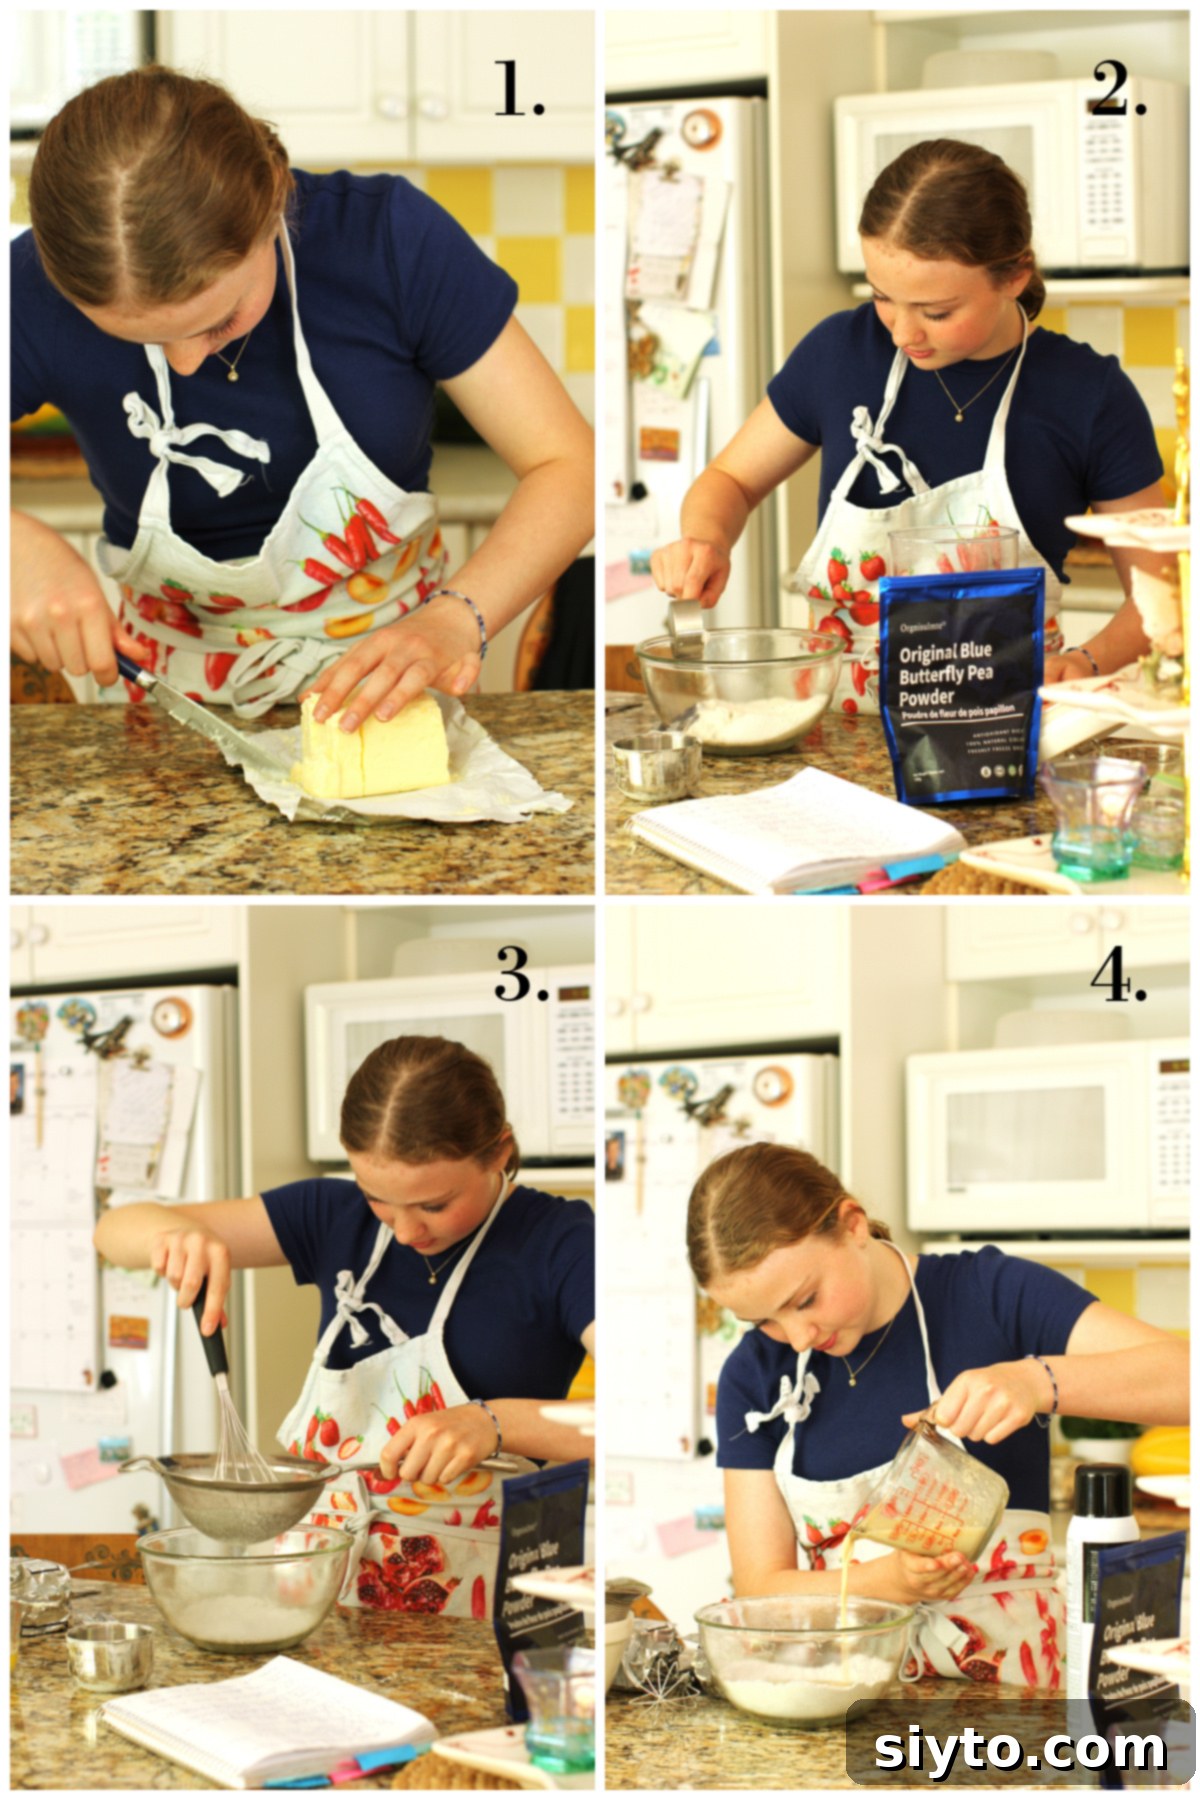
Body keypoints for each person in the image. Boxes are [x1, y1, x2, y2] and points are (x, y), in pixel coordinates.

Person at [12, 66, 593, 729]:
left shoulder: (390, 241)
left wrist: (457, 620)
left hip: (394, 682)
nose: (185, 362)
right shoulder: (30, 292)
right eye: (129, 335)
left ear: (274, 195)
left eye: (218, 322)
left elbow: (569, 467)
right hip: (169, 701)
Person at [94, 1035, 595, 1616]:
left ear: (499, 1152)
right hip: (316, 1597)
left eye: (434, 1205)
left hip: (478, 1610)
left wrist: (495, 1421)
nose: (406, 1232)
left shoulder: (562, 1244)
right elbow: (112, 1229)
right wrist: (174, 1236)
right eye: (378, 1197)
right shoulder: (334, 1217)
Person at [652, 139, 1168, 698]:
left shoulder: (1089, 395)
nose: (902, 333)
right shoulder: (839, 353)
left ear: (1015, 276)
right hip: (839, 739)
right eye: (883, 298)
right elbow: (730, 480)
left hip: (996, 735)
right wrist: (706, 540)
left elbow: (1162, 591)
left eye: (937, 312)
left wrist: (1085, 663)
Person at [687, 1144, 1188, 1688]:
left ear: (852, 1224)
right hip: (845, 1699)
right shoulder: (755, 1374)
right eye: (765, 1319)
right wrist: (891, 1582)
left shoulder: (991, 1294)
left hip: (1009, 1714)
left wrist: (1035, 1380)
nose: (799, 1336)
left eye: (806, 1299)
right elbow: (761, 1586)